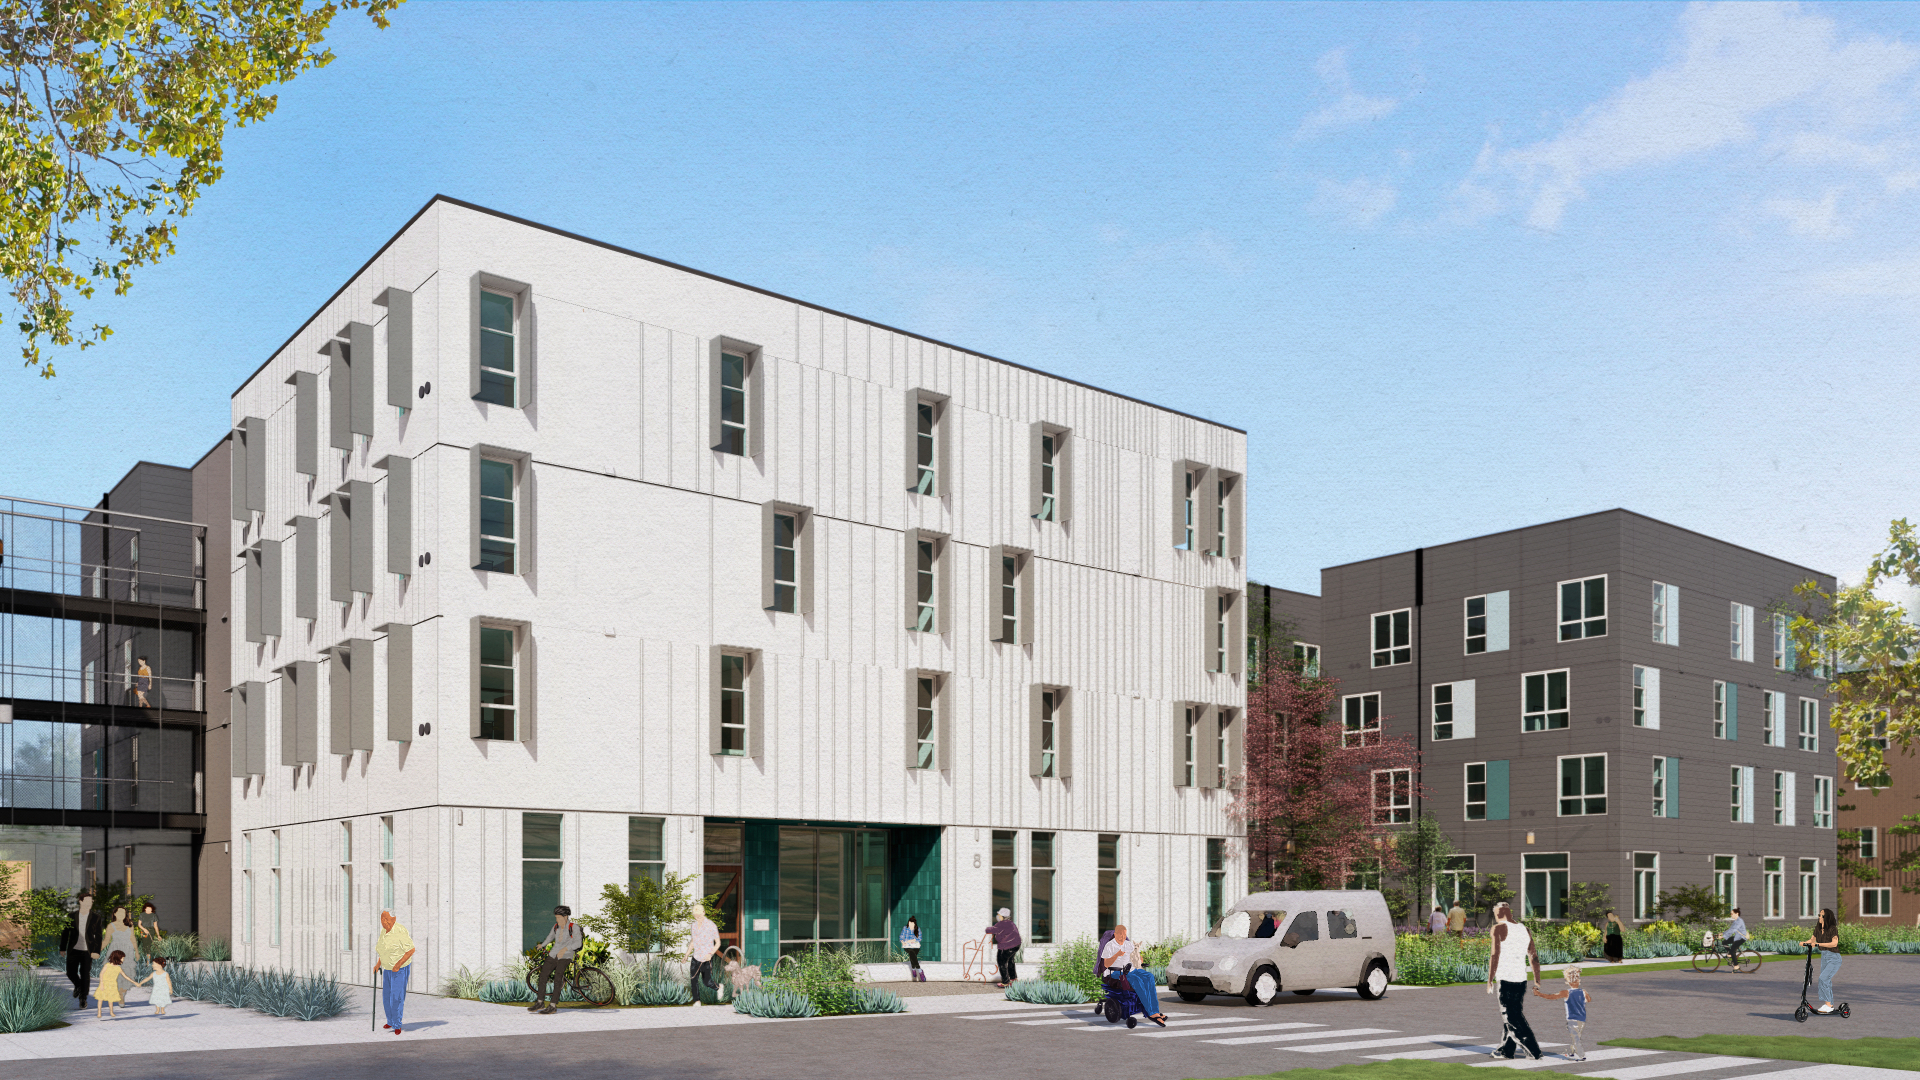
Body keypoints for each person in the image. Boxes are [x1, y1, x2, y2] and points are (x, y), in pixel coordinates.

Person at [1486, 901, 1543, 1060]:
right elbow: (1533, 956)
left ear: (1499, 913)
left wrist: (1490, 979)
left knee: (1511, 1016)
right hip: (1520, 979)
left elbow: (1494, 955)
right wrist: (1536, 978)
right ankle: (1506, 1050)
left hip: (1506, 978)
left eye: (1496, 914)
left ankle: (1534, 1051)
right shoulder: (1524, 929)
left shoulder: (1498, 928)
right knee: (1513, 1013)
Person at [1099, 924, 1166, 1027]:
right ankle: (1151, 1013)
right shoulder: (1110, 945)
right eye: (1120, 934)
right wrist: (1117, 954)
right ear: (1115, 934)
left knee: (1149, 976)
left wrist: (1139, 959)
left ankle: (1154, 1010)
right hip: (1115, 972)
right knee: (1136, 980)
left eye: (1124, 934)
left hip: (1130, 969)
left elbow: (1136, 956)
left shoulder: (1128, 944)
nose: (1122, 937)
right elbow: (1106, 964)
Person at [1534, 965, 1593, 1061]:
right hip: (1582, 1018)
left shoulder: (1566, 992)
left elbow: (1551, 996)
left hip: (1572, 1019)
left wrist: (1539, 994)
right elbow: (1589, 1000)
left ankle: (1581, 1055)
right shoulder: (1583, 991)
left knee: (1576, 1038)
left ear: (1568, 981)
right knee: (1576, 1036)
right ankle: (1573, 1052)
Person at [531, 906, 582, 1014]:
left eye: (559, 918)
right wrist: (542, 945)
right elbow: (550, 937)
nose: (557, 920)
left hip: (566, 955)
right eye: (556, 917)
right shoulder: (555, 927)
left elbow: (578, 943)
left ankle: (553, 1005)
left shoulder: (573, 927)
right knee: (543, 975)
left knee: (558, 978)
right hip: (554, 954)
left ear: (565, 917)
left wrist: (565, 949)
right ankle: (540, 1002)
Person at [58, 889, 103, 1006]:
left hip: (88, 951)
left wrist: (96, 951)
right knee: (70, 972)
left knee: (85, 974)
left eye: (91, 901)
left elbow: (98, 936)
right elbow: (65, 932)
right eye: (87, 901)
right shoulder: (71, 916)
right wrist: (62, 948)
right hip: (73, 949)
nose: (90, 903)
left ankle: (83, 998)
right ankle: (78, 986)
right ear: (81, 902)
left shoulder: (96, 917)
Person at [374, 910, 415, 1033]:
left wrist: (398, 964)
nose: (383, 922)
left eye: (386, 919)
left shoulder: (400, 931)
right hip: (387, 969)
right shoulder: (383, 931)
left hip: (399, 970)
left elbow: (411, 950)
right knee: (386, 996)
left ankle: (397, 1025)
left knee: (396, 997)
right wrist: (378, 964)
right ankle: (390, 1021)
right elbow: (383, 951)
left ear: (394, 919)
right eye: (382, 919)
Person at [1800, 908, 1843, 1014]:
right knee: (1825, 980)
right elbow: (1812, 940)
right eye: (1819, 915)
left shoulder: (1832, 929)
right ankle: (1829, 1004)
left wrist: (1818, 944)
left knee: (1823, 979)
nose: (1819, 917)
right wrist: (1805, 943)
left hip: (1834, 957)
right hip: (1824, 956)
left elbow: (1834, 943)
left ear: (1827, 917)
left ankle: (1829, 1005)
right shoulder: (1818, 928)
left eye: (1822, 915)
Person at [687, 908, 720, 1005]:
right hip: (695, 957)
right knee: (693, 980)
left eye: (699, 916)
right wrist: (686, 954)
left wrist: (711, 954)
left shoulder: (711, 925)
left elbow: (718, 943)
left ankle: (719, 987)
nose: (698, 918)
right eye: (696, 916)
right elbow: (693, 942)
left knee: (707, 982)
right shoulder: (693, 926)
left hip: (706, 958)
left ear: (704, 913)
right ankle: (697, 1001)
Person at [983, 909, 1021, 988]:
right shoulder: (1011, 923)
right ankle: (1013, 978)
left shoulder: (1001, 924)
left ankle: (1006, 982)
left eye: (999, 915)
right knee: (1010, 961)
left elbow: (990, 930)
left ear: (1003, 916)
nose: (998, 916)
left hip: (1006, 946)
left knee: (1001, 962)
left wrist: (986, 928)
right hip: (1016, 945)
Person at [96, 950, 131, 1019]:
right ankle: (99, 1012)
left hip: (112, 985)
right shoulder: (107, 965)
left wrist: (133, 981)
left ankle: (111, 1012)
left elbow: (125, 976)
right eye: (122, 958)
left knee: (111, 999)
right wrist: (102, 983)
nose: (123, 959)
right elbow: (101, 974)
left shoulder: (118, 968)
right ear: (118, 957)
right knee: (101, 998)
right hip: (105, 983)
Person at [101, 906, 139, 970]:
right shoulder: (111, 926)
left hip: (128, 949)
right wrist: (97, 951)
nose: (121, 914)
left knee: (127, 970)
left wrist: (137, 952)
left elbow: (132, 938)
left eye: (123, 912)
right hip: (115, 950)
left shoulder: (130, 924)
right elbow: (106, 940)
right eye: (119, 912)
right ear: (115, 914)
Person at [899, 916, 924, 982]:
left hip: (916, 946)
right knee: (911, 952)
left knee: (912, 955)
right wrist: (903, 942)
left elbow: (920, 938)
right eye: (909, 923)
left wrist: (913, 940)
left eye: (912, 924)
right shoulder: (905, 928)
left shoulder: (917, 929)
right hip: (907, 946)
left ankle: (913, 968)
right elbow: (901, 937)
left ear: (914, 924)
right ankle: (919, 970)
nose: (910, 925)